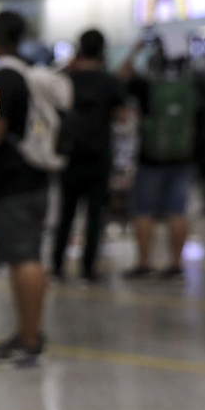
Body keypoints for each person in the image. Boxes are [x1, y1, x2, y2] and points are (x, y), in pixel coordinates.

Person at [0, 11, 49, 368]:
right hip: (34, 176)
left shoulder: (5, 77)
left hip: (12, 181)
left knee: (24, 258)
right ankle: (28, 331)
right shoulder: (28, 71)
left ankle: (30, 338)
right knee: (28, 255)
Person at [118, 36, 201, 280]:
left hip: (150, 158)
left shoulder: (147, 85)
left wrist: (135, 49)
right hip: (185, 156)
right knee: (178, 211)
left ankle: (144, 262)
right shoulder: (194, 84)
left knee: (144, 210)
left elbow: (121, 75)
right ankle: (176, 263)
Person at [50, 30, 126, 283]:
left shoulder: (67, 77)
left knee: (66, 213)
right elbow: (122, 116)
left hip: (69, 155)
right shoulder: (108, 80)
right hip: (99, 156)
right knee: (95, 215)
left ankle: (57, 264)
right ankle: (88, 267)